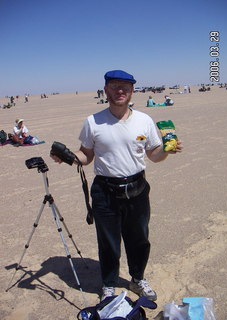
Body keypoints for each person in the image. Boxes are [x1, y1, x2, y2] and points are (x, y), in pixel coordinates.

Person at [51, 70, 183, 301]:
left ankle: (137, 279)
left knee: (139, 240)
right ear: (106, 90)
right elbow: (86, 155)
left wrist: (167, 150)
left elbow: (153, 154)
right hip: (105, 191)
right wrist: (67, 157)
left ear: (132, 91)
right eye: (114, 86)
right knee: (108, 242)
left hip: (137, 189)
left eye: (125, 86)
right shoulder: (93, 121)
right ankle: (109, 284)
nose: (120, 90)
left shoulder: (144, 120)